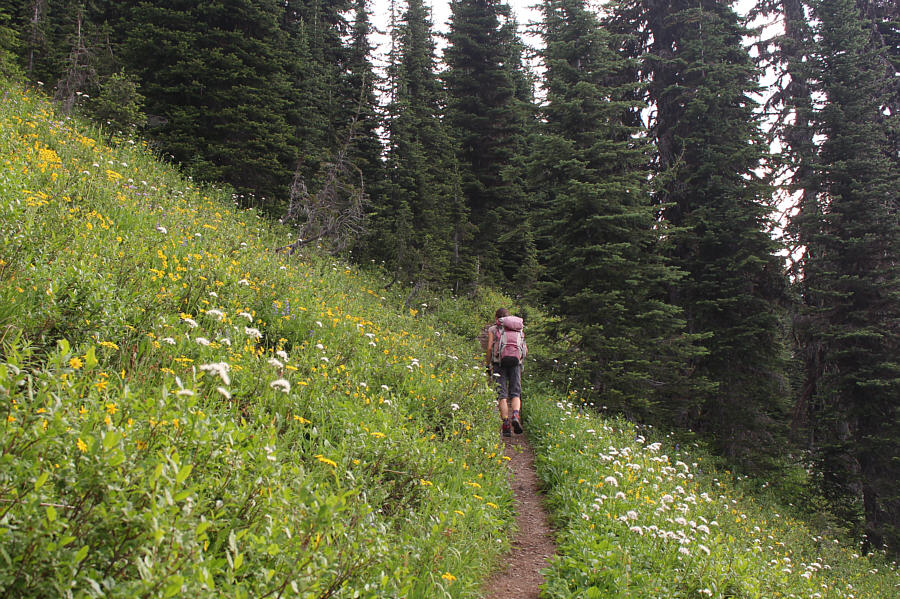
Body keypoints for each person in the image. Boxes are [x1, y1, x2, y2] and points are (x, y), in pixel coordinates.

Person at [485, 308, 525, 437]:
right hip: (515, 363)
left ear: (497, 318)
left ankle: (506, 423)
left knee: (502, 394)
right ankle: (515, 415)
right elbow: (525, 348)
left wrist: (487, 364)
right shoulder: (518, 328)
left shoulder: (493, 329)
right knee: (515, 392)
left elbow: (490, 347)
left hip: (499, 363)